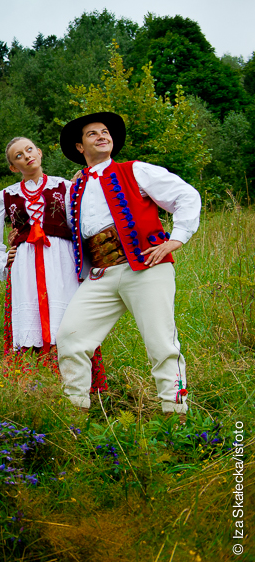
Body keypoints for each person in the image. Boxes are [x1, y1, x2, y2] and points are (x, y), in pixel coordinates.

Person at [55, 112, 200, 417]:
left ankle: (175, 414)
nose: (102, 136)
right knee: (70, 337)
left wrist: (176, 238)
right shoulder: (74, 189)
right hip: (101, 274)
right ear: (80, 147)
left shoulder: (135, 170)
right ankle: (74, 414)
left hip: (146, 267)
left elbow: (185, 195)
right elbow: (67, 229)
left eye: (105, 132)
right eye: (92, 133)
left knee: (161, 343)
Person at [0, 138, 107, 392]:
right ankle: (37, 387)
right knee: (30, 319)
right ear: (13, 167)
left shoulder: (64, 186)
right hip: (25, 264)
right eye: (18, 156)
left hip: (61, 260)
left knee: (68, 317)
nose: (26, 156)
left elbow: (82, 221)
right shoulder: (7, 195)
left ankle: (78, 384)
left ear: (39, 152)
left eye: (29, 150)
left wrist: (88, 260)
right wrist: (3, 257)